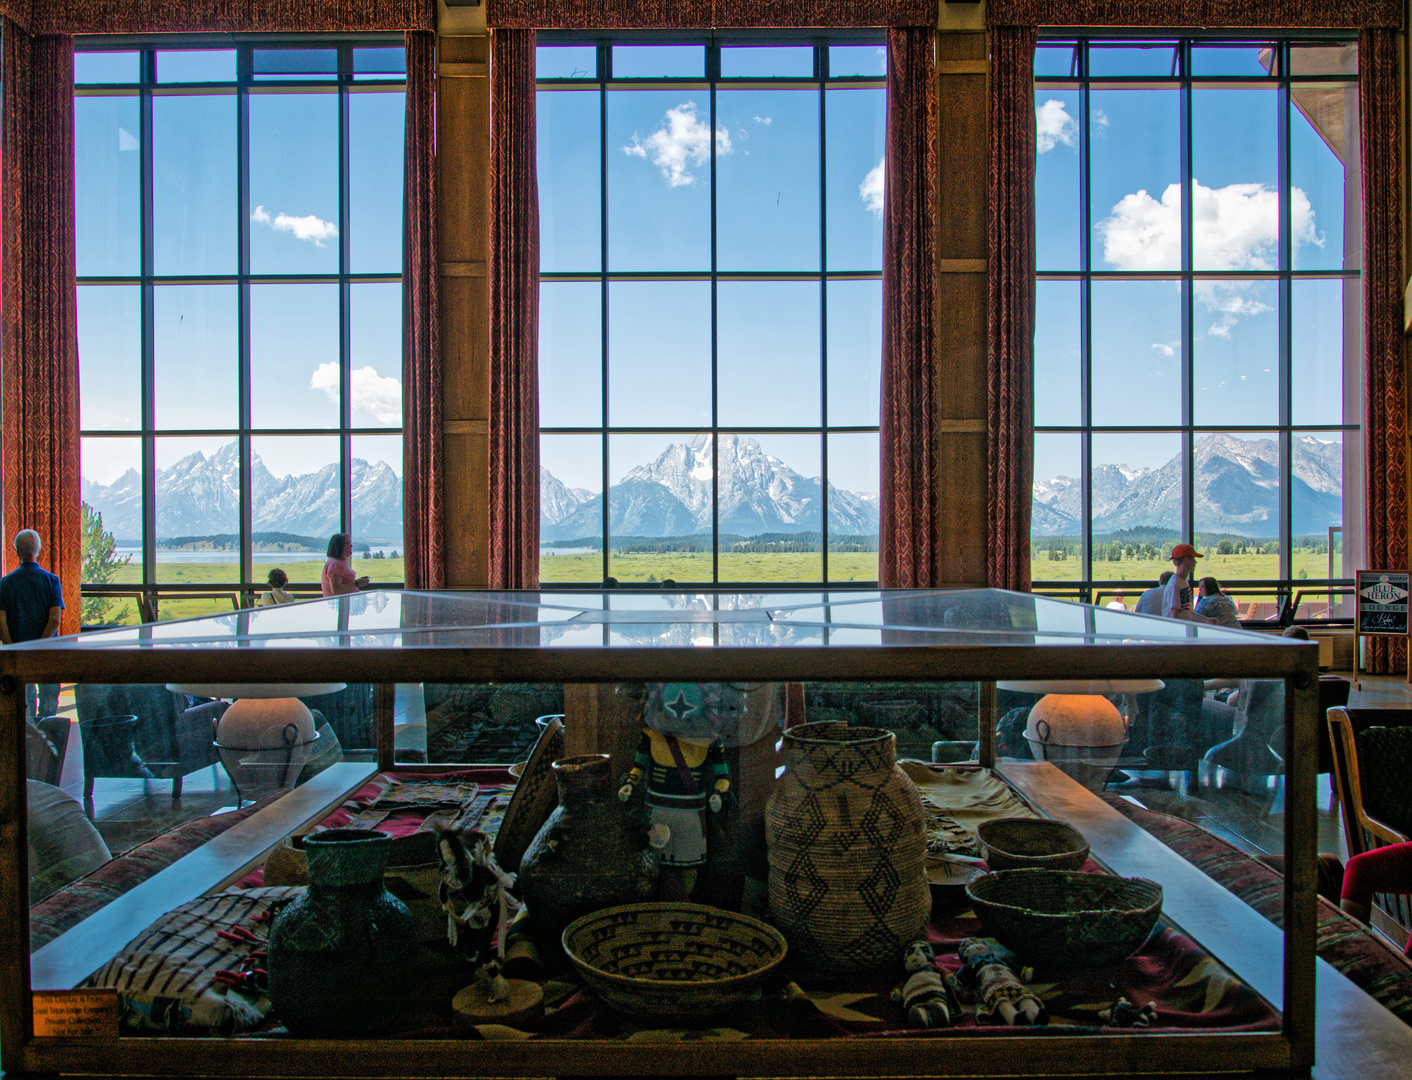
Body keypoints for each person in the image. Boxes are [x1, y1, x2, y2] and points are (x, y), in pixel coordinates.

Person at [0, 529, 63, 719]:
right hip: (47, 653)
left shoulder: (5, 583)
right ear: (39, 550)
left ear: (17, 551)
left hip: (19, 653)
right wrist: (40, 645)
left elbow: (1, 622)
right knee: (48, 706)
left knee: (24, 708)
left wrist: (13, 649)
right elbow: (55, 620)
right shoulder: (52, 581)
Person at [1162, 544, 1213, 623]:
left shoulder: (1183, 583)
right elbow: (1174, 616)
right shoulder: (1175, 585)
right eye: (1193, 558)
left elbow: (1187, 611)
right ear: (1187, 560)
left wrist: (1207, 620)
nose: (1195, 562)